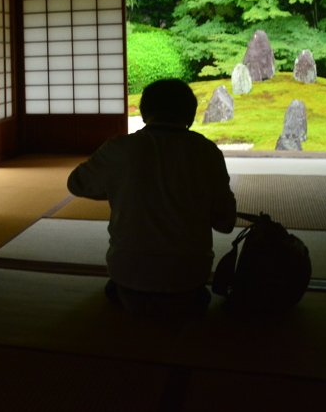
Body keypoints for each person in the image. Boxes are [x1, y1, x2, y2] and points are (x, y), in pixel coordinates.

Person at [67, 79, 237, 316]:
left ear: (146, 113)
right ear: (189, 115)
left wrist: (121, 189)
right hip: (188, 279)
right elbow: (226, 223)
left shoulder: (120, 148)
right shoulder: (207, 151)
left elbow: (76, 184)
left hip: (128, 276)